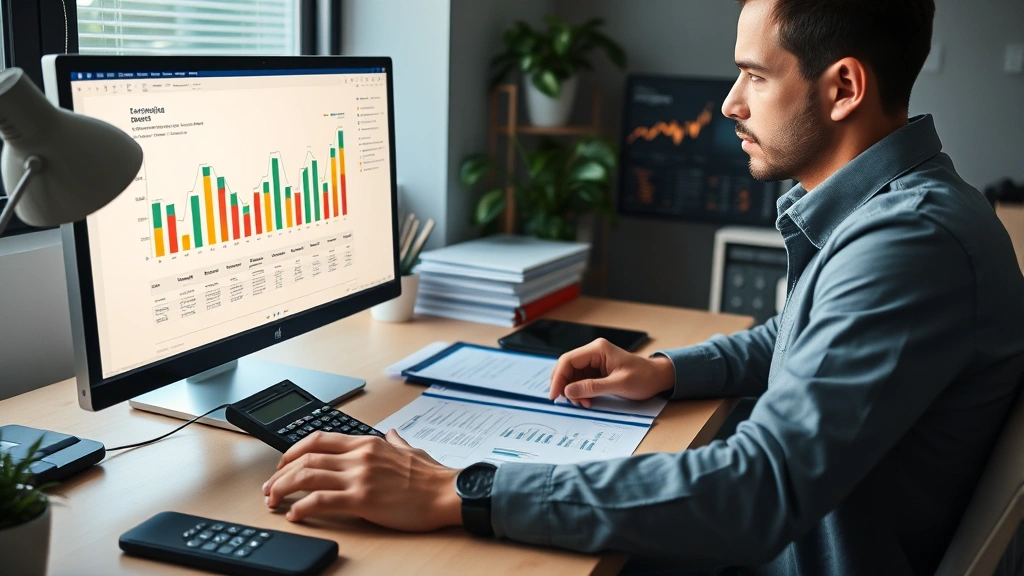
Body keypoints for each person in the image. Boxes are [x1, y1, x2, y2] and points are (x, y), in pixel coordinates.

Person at [260, 0, 1024, 573]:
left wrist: (462, 491)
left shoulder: (909, 241)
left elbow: (756, 487)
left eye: (755, 75)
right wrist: (665, 370)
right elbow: (800, 337)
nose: (730, 102)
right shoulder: (890, 213)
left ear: (843, 87)